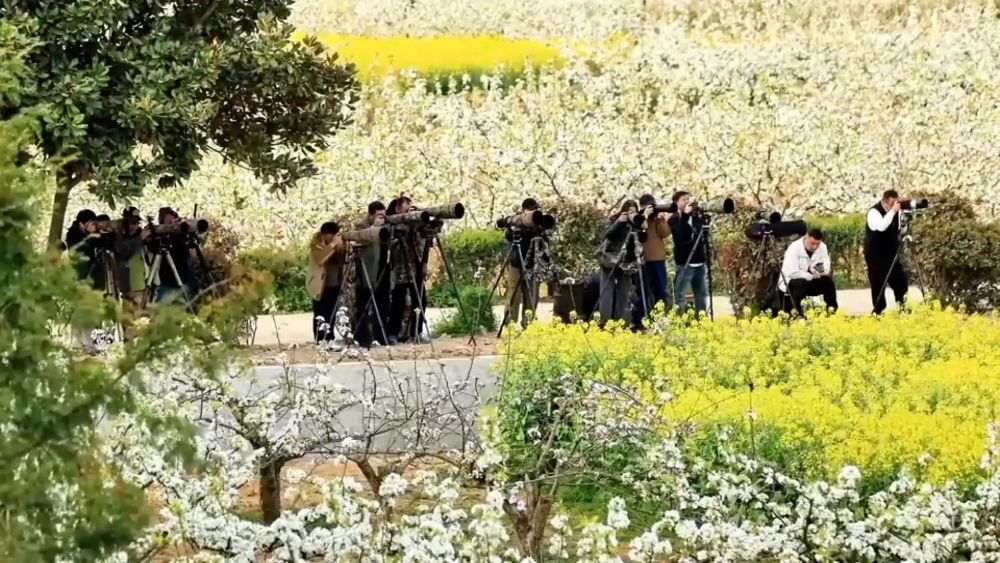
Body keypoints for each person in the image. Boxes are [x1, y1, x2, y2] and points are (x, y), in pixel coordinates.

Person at [386, 196, 429, 344]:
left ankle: (416, 332)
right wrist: (406, 223)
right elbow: (390, 244)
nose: (410, 208)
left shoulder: (416, 223)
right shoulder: (393, 222)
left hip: (416, 265)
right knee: (398, 301)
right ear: (398, 209)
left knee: (421, 299)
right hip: (401, 267)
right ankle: (392, 333)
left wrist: (421, 218)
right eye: (407, 206)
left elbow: (428, 234)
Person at [598, 200, 649, 325]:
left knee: (623, 293)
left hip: (627, 263)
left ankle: (621, 323)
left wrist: (643, 227)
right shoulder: (614, 219)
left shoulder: (636, 222)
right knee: (606, 293)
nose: (632, 214)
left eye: (634, 211)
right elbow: (608, 235)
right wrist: (619, 222)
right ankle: (605, 322)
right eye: (629, 211)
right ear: (624, 210)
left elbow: (643, 240)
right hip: (611, 260)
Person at [865, 189, 909, 314]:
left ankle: (902, 307)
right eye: (891, 203)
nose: (894, 205)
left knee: (901, 281)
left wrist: (903, 220)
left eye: (896, 202)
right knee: (878, 284)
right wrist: (892, 212)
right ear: (884, 201)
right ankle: (878, 312)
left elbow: (901, 231)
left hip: (891, 253)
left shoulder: (895, 213)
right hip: (875, 255)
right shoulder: (874, 212)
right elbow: (881, 227)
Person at [777, 228, 838, 317]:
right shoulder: (794, 248)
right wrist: (808, 276)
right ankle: (797, 315)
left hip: (811, 281)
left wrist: (819, 271)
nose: (815, 247)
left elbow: (824, 265)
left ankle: (832, 312)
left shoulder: (822, 247)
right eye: (812, 243)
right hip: (792, 282)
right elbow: (791, 272)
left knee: (827, 282)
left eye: (818, 244)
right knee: (800, 284)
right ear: (806, 237)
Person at [353, 201, 389, 347]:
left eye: (383, 215)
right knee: (364, 304)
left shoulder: (386, 224)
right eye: (379, 215)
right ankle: (363, 337)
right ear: (371, 214)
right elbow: (363, 237)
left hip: (383, 267)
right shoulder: (361, 226)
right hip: (367, 270)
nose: (382, 217)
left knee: (383, 304)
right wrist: (375, 227)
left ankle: (381, 336)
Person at [112, 207, 151, 340]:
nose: (135, 226)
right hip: (129, 283)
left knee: (141, 315)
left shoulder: (140, 234)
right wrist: (140, 239)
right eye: (132, 222)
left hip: (143, 281)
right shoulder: (120, 237)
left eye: (136, 222)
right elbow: (122, 252)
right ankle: (129, 341)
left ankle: (137, 340)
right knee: (129, 316)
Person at [668, 191, 709, 316]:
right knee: (681, 293)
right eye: (684, 200)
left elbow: (702, 236)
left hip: (699, 261)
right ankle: (680, 318)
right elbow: (681, 236)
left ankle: (701, 318)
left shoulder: (696, 218)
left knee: (701, 293)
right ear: (676, 203)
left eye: (688, 199)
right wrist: (685, 217)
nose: (687, 202)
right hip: (685, 262)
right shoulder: (674, 219)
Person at [65, 209, 100, 352]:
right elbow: (79, 249)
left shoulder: (88, 235)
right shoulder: (73, 234)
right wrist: (91, 235)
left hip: (91, 278)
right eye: (90, 223)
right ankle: (78, 344)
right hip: (78, 278)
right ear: (81, 223)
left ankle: (89, 344)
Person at [503, 198, 541, 328]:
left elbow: (544, 239)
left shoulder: (538, 221)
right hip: (516, 261)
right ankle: (510, 324)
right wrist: (519, 228)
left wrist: (537, 229)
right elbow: (508, 235)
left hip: (532, 262)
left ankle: (528, 323)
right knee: (514, 293)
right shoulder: (518, 220)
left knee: (531, 294)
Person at [307, 221, 346, 342]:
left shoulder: (339, 243)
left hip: (335, 283)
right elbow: (320, 259)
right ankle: (320, 338)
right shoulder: (316, 244)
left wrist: (341, 245)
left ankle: (330, 338)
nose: (333, 238)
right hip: (320, 284)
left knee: (332, 312)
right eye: (331, 235)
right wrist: (333, 245)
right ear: (324, 234)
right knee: (320, 312)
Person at [636, 194, 672, 320]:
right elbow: (639, 230)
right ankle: (645, 318)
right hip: (643, 261)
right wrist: (644, 216)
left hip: (658, 260)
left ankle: (660, 317)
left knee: (661, 291)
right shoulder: (638, 218)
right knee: (645, 292)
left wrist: (660, 219)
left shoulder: (656, 219)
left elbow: (666, 233)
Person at [154, 207, 197, 305]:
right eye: (169, 221)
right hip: (167, 280)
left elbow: (193, 243)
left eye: (173, 219)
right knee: (163, 310)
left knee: (183, 310)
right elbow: (152, 247)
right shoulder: (160, 236)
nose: (172, 223)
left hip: (184, 277)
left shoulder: (181, 235)